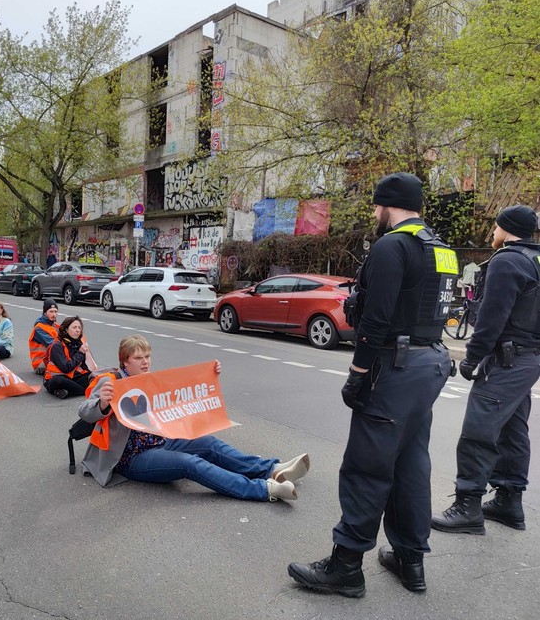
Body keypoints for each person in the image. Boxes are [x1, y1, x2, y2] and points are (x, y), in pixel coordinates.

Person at [287, 173, 456, 598]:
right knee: (410, 463)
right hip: (431, 363)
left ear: (387, 205)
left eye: (376, 206)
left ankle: (346, 567)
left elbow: (377, 319)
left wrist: (358, 374)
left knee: (367, 466)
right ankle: (409, 559)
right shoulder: (442, 249)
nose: (374, 214)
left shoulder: (391, 246)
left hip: (393, 369)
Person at [79, 334, 307, 502]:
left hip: (162, 440)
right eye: (139, 358)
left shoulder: (149, 379)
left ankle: (272, 469)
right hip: (132, 457)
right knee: (189, 464)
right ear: (125, 361)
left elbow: (185, 391)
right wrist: (103, 403)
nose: (146, 361)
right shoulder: (111, 382)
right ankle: (265, 489)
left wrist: (210, 374)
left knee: (210, 443)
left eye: (147, 356)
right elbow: (85, 412)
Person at [431, 205, 540, 536]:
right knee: (512, 429)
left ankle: (468, 506)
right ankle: (509, 501)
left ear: (506, 229)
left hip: (506, 360)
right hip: (528, 358)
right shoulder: (535, 260)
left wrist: (471, 359)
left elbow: (493, 317)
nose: (492, 232)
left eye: (495, 227)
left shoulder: (508, 261)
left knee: (478, 431)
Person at [44, 316, 92, 399]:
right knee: (58, 381)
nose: (77, 330)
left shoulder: (79, 344)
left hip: (73, 377)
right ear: (66, 329)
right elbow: (66, 368)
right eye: (74, 327)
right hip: (58, 378)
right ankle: (83, 391)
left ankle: (67, 392)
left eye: (79, 328)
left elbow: (84, 367)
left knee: (94, 377)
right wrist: (80, 352)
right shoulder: (57, 346)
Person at [29, 299, 60, 375]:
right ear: (45, 312)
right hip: (40, 364)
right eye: (51, 311)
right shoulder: (39, 328)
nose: (54, 314)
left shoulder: (54, 325)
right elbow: (53, 345)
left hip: (50, 359)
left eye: (55, 311)